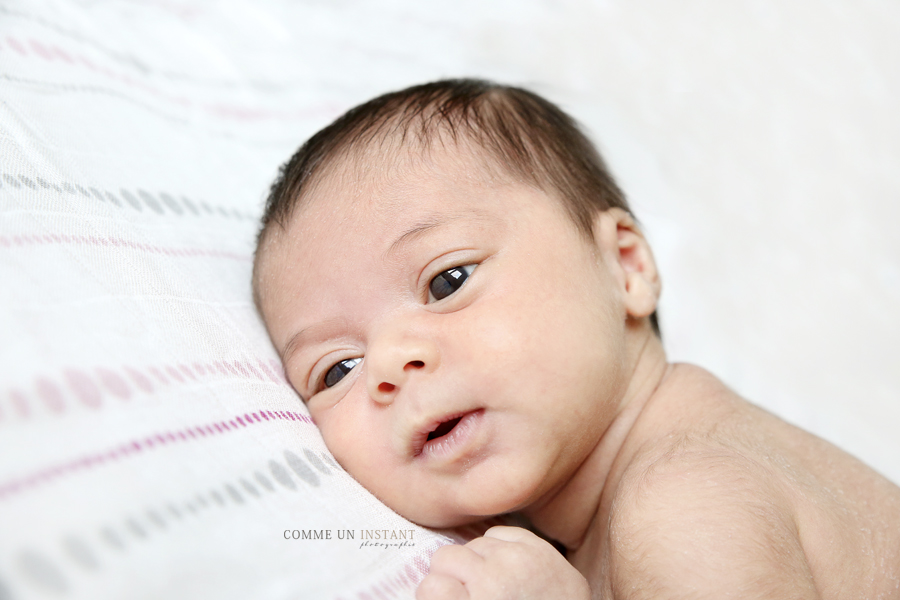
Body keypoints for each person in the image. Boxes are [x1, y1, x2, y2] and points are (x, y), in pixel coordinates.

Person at [252, 79, 900, 599]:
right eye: (338, 369)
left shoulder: (680, 499)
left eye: (448, 281)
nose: (391, 363)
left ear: (625, 268)